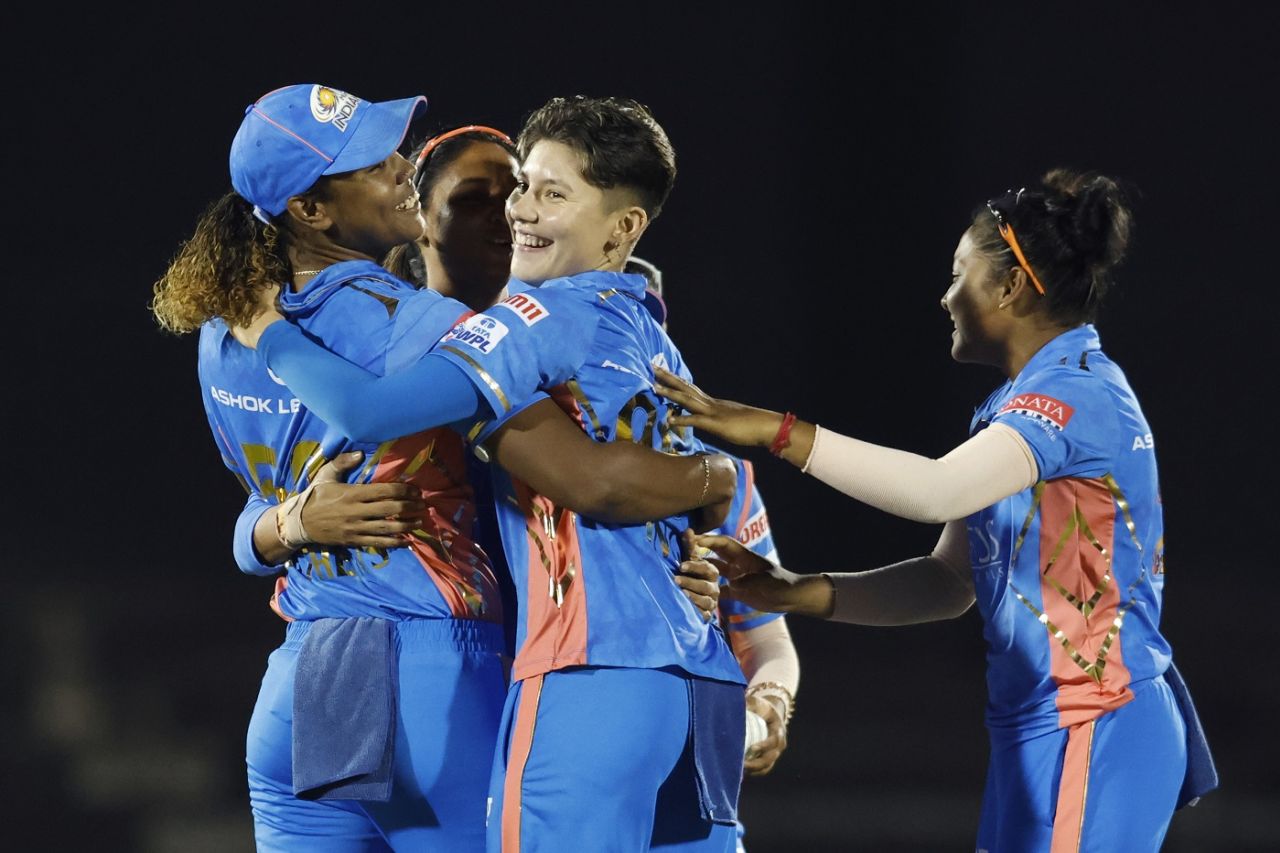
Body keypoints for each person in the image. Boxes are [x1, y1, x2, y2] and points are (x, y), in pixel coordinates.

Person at [151, 85, 733, 852]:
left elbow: (262, 499)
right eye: (375, 161)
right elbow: (583, 475)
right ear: (313, 210)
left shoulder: (226, 324)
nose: (401, 168)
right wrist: (713, 478)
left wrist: (278, 526)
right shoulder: (432, 330)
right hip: (435, 673)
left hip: (306, 673)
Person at [654, 169, 1219, 851]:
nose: (945, 296)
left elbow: (933, 491)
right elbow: (949, 582)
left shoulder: (1074, 397)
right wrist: (791, 591)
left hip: (1098, 718)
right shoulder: (1012, 411)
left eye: (960, 273)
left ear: (1010, 287)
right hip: (1037, 724)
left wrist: (776, 430)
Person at [626, 256, 799, 785]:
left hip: (693, 760)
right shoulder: (522, 458)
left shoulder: (726, 477)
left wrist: (771, 702)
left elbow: (766, 638)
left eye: (647, 328)